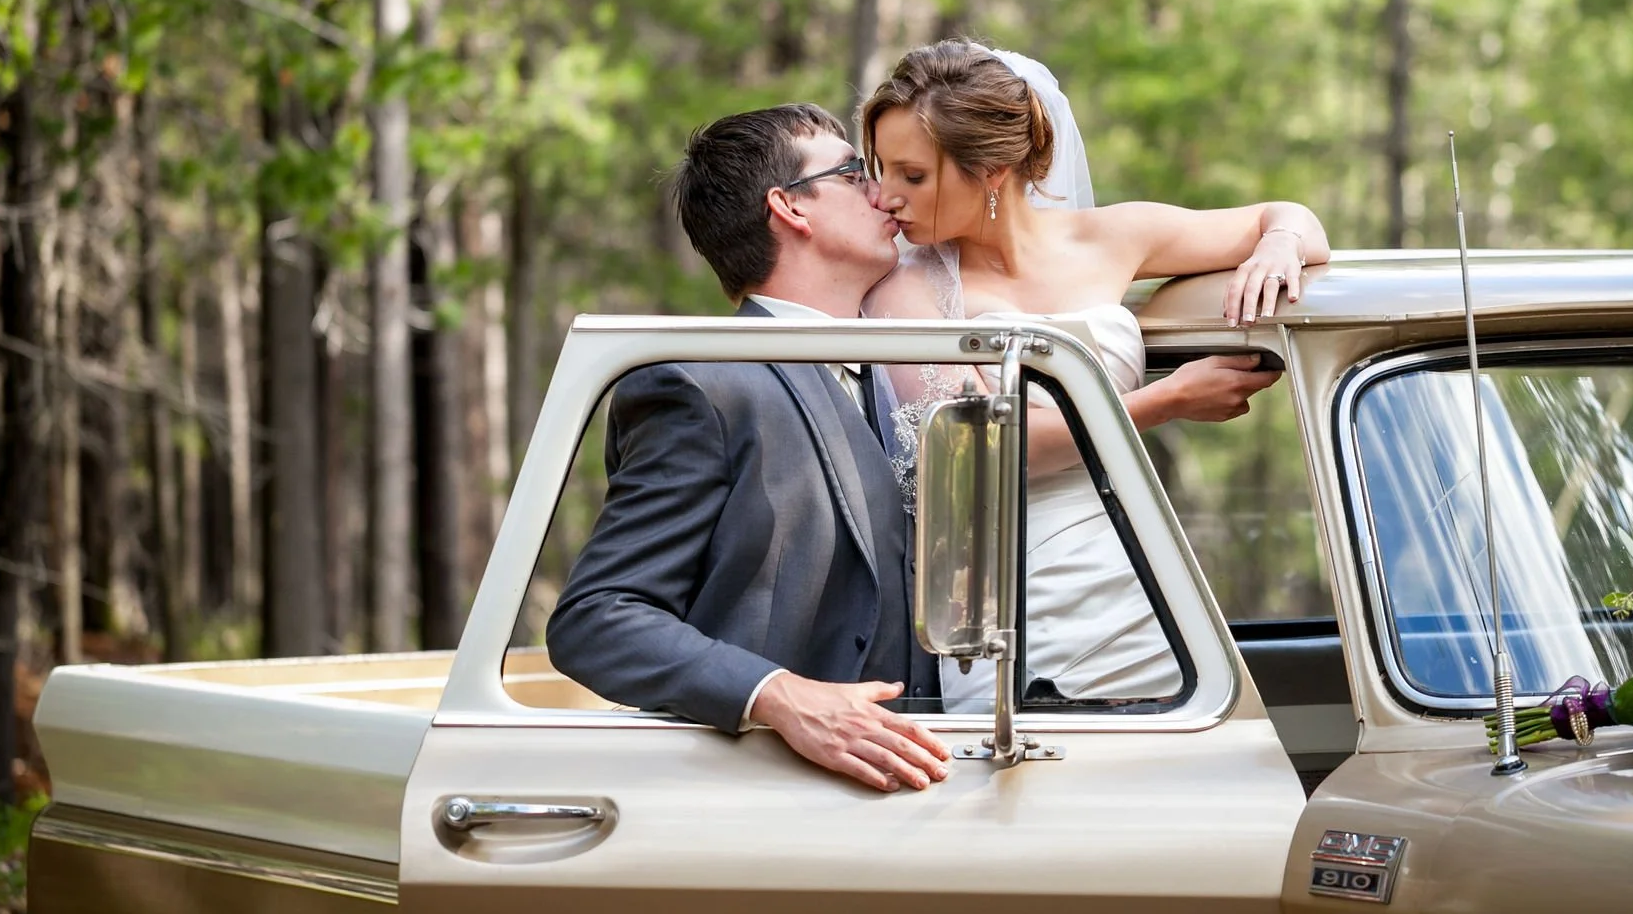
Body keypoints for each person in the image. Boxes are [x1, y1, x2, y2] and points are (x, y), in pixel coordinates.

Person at [862, 41, 1331, 708]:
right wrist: (1165, 400)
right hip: (1010, 601)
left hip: (1137, 584)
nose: (885, 198)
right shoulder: (903, 293)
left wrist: (1278, 247)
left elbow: (1290, 219)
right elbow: (990, 446)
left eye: (911, 175)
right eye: (882, 169)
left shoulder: (1111, 236)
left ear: (991, 170)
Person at [547, 103, 950, 794]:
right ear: (790, 209)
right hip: (765, 801)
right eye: (856, 173)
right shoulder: (698, 381)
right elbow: (598, 615)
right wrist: (779, 696)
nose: (883, 193)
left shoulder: (911, 367)